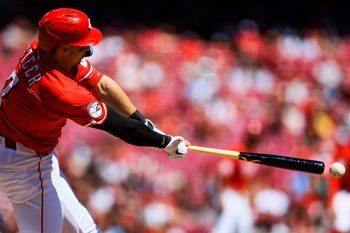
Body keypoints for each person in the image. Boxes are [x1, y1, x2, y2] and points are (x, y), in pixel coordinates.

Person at [0, 8, 190, 233]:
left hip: (25, 154)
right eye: (83, 48)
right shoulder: (59, 91)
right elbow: (118, 127)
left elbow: (102, 86)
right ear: (63, 49)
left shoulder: (39, 51)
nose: (88, 52)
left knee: (86, 230)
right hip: (24, 165)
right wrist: (164, 142)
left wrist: (144, 124)